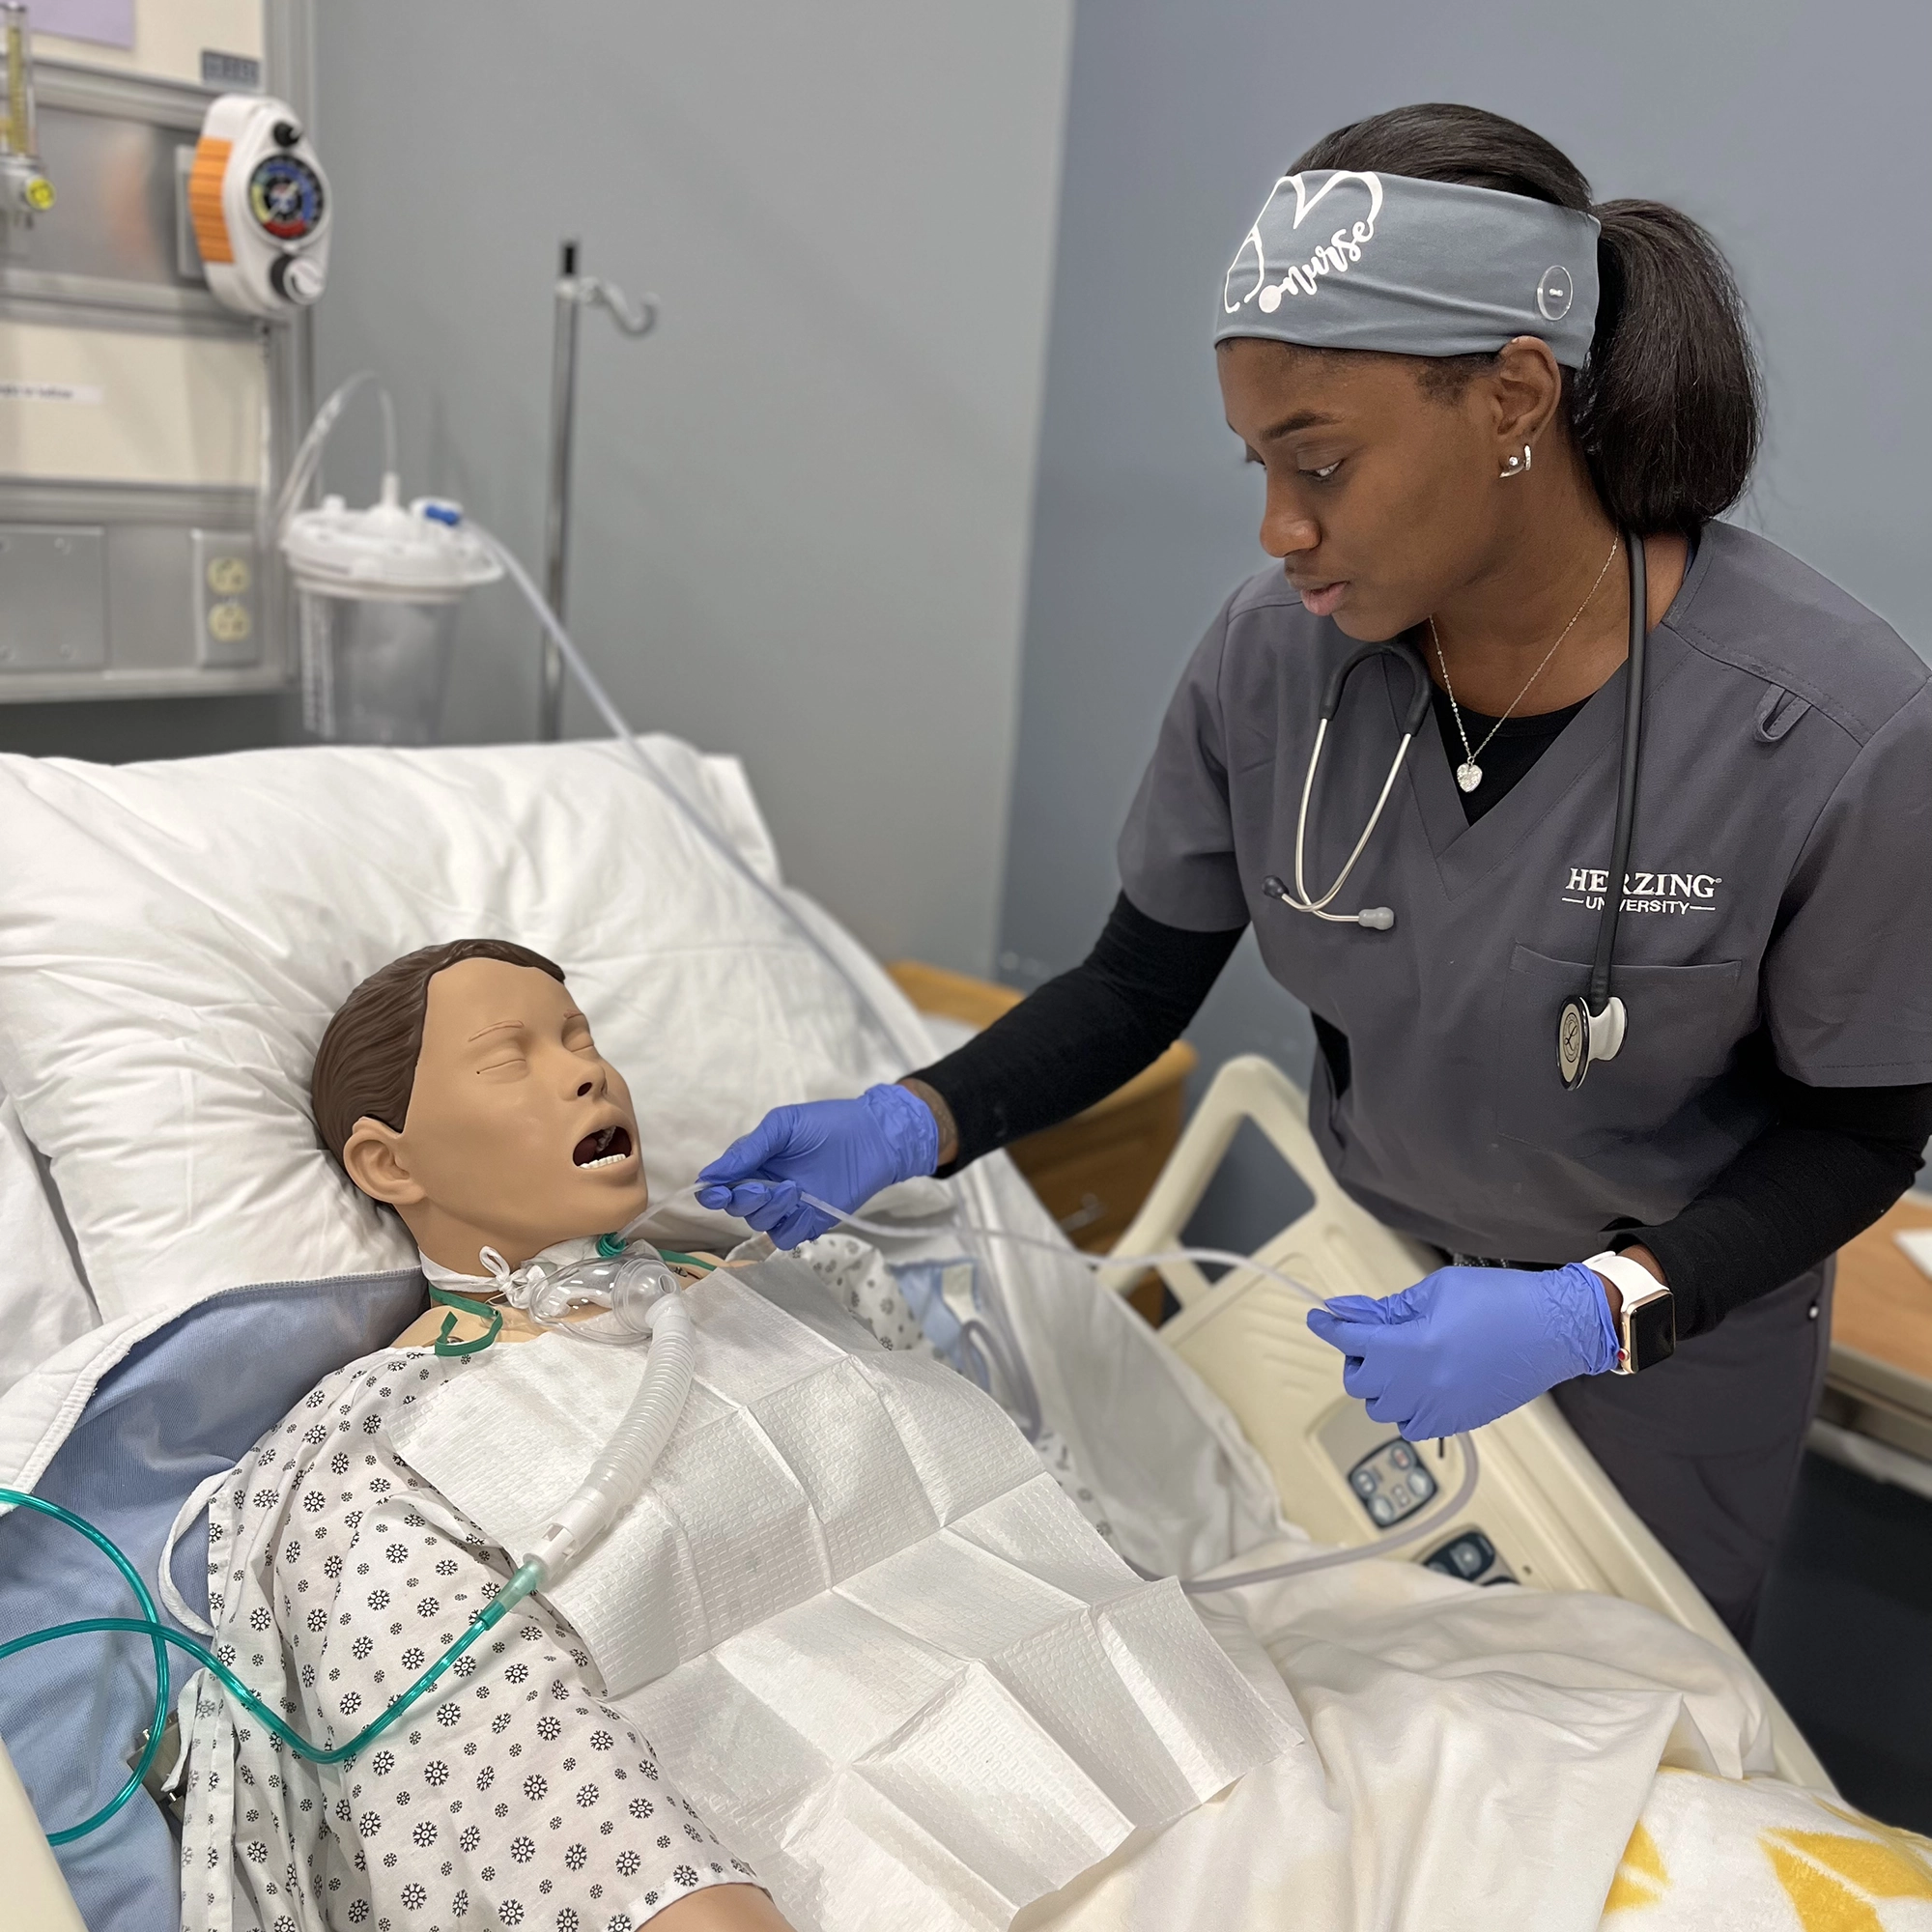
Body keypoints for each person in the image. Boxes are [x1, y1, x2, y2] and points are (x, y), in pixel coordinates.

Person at [694, 102, 1932, 1643]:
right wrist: (916, 1117)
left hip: (1659, 1360)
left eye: (1322, 462)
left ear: (1513, 400)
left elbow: (1864, 1127)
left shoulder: (1826, 728)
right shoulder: (1276, 662)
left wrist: (1591, 1313)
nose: (1280, 528)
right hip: (1353, 1297)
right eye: (1258, 464)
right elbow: (1142, 980)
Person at [180, 938, 791, 1932]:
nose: (587, 1070)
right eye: (511, 1058)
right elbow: (541, 1792)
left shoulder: (774, 1284)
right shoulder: (371, 1458)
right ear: (388, 1162)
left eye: (578, 1037)